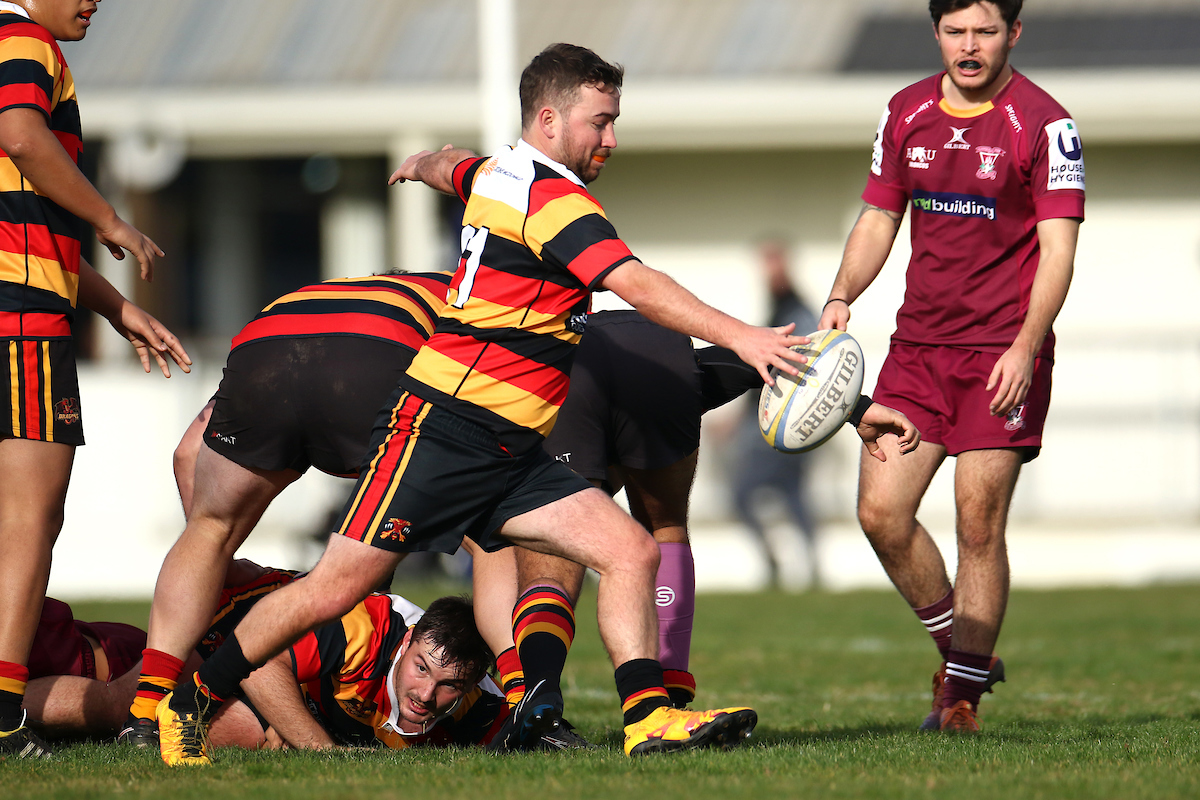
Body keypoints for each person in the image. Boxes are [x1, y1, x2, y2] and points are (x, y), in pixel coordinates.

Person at [158, 42, 813, 765]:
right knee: (337, 588)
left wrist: (424, 164)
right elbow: (636, 283)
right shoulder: (555, 198)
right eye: (601, 121)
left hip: (510, 447)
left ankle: (647, 719)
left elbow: (456, 167)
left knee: (628, 549)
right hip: (440, 429)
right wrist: (744, 337)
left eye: (615, 121)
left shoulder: (502, 173)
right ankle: (190, 700)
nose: (613, 139)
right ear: (550, 117)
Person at [817, 0, 1084, 733]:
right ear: (936, 33)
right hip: (918, 351)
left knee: (978, 521)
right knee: (880, 512)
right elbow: (878, 216)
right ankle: (962, 651)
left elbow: (1058, 250)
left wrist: (1026, 347)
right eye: (956, 31)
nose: (970, 47)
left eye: (986, 32)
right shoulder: (904, 112)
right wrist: (842, 294)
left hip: (1003, 353)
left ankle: (958, 700)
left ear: (1013, 34)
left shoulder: (1046, 124)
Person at [497, 311, 919, 724]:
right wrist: (856, 407)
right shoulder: (684, 372)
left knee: (551, 557)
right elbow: (756, 364)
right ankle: (670, 695)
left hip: (572, 366)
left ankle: (537, 696)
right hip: (658, 350)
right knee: (665, 527)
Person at [120, 270, 456, 746]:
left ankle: (144, 713)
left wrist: (213, 566)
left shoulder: (320, 297)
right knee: (486, 520)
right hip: (378, 354)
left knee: (209, 529)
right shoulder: (459, 290)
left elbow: (186, 454)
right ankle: (524, 698)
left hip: (267, 339)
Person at [0, 0, 190, 759]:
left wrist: (113, 307)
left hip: (24, 302)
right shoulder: (21, 40)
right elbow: (21, 138)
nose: (95, 1)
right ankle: (6, 712)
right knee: (29, 521)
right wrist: (111, 220)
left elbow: (26, 220)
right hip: (19, 323)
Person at [22, 561, 510, 752]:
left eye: (449, 684)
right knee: (125, 705)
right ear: (405, 645)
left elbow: (521, 737)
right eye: (422, 668)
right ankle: (8, 715)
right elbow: (253, 663)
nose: (426, 694)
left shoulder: (480, 702)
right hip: (214, 636)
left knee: (258, 735)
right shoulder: (362, 627)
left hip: (262, 671)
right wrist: (324, 752)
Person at [731, 242, 822, 588]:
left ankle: (790, 565)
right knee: (791, 495)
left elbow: (782, 367)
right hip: (770, 421)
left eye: (773, 261)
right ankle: (804, 566)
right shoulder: (778, 306)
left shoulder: (795, 310)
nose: (768, 269)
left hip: (779, 422)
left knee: (746, 494)